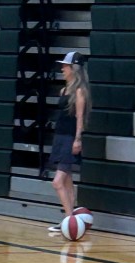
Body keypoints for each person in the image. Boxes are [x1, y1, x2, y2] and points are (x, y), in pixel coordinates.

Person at [47, 51, 91, 233]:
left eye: (65, 66)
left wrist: (78, 139)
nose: (62, 69)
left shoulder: (79, 91)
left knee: (57, 182)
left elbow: (80, 117)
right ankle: (70, 219)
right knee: (67, 182)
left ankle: (69, 221)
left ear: (74, 69)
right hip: (60, 136)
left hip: (70, 139)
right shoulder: (64, 90)